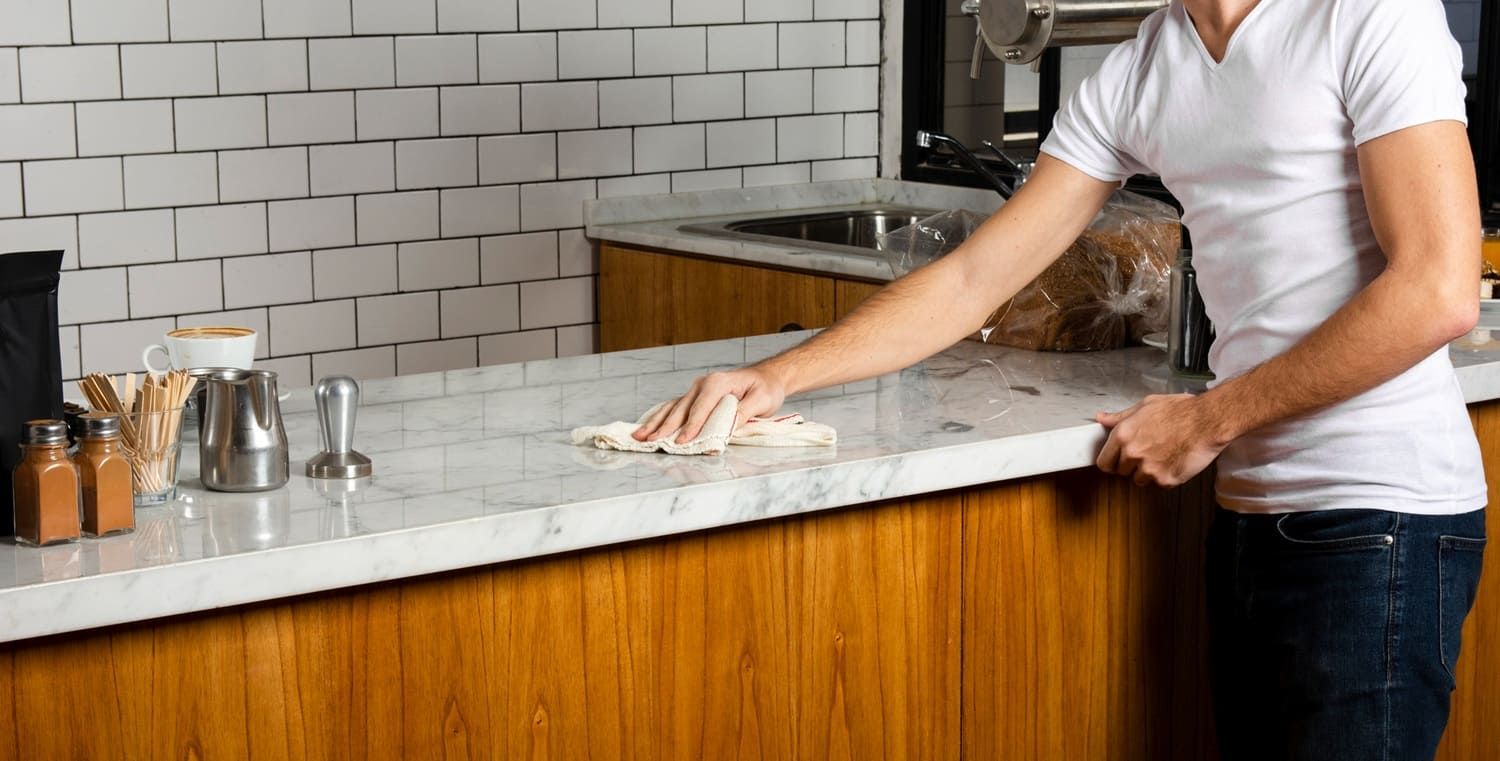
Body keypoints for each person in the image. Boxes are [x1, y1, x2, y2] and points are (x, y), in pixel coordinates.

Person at [634, 0, 1488, 758]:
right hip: (1253, 518)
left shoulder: (1368, 15)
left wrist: (1206, 419)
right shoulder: (1140, 71)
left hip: (1385, 516)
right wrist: (778, 374)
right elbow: (973, 280)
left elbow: (1436, 290)